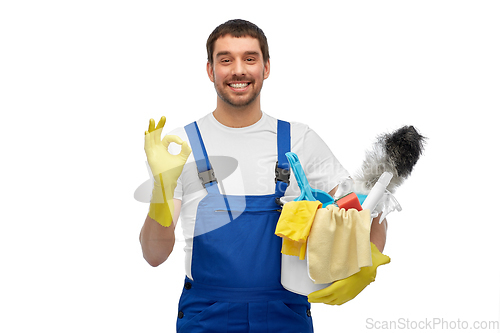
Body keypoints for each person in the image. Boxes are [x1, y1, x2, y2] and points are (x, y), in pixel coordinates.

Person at [139, 19, 389, 333]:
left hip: (286, 314)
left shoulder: (299, 139)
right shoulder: (179, 147)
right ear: (210, 70)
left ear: (266, 67)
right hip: (206, 316)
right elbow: (154, 254)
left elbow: (365, 207)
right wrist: (162, 188)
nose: (238, 70)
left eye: (250, 58)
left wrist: (370, 258)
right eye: (226, 59)